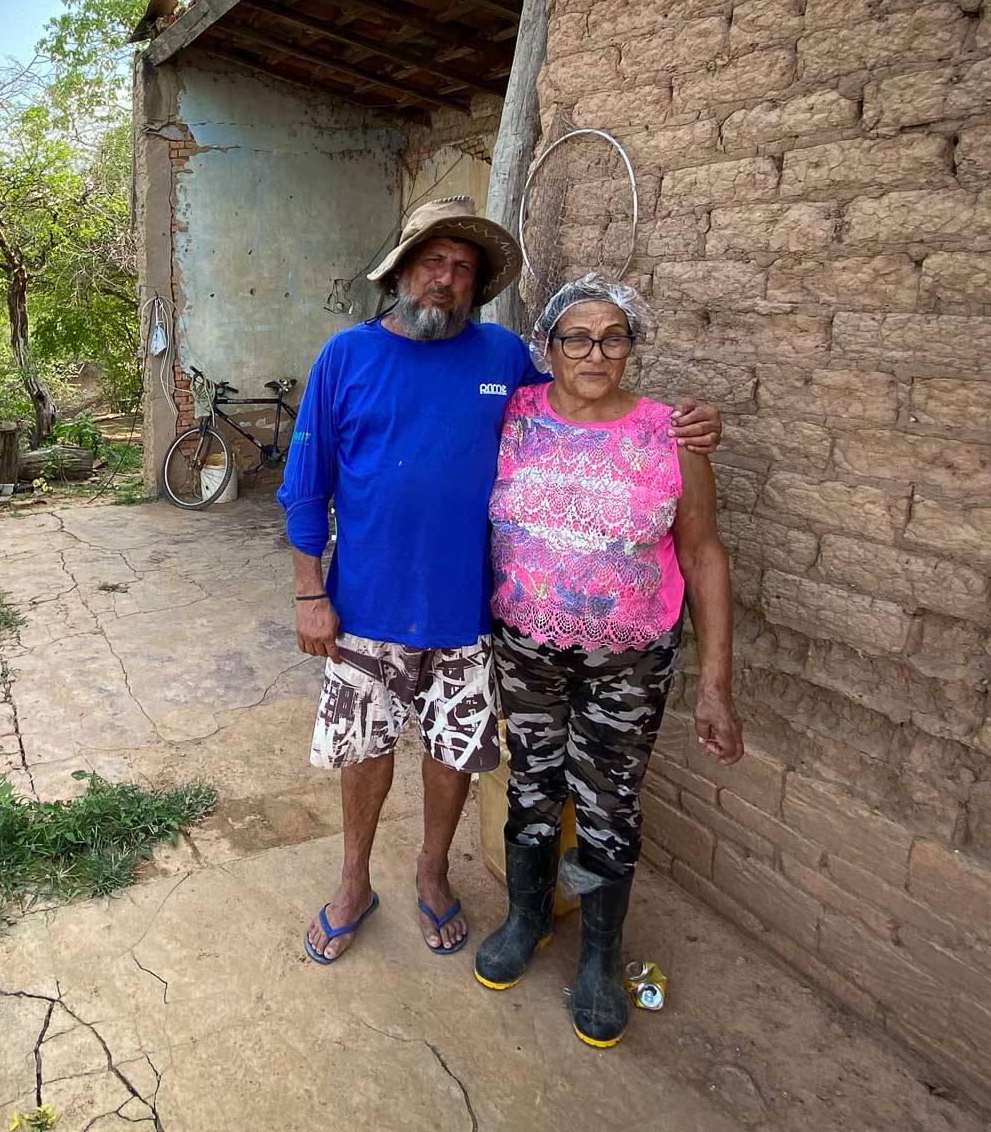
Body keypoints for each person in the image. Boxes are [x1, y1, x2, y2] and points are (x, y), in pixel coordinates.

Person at [278, 197, 722, 966]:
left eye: (463, 268)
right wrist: (309, 592)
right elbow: (303, 485)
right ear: (400, 271)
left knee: (452, 750)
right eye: (432, 261)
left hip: (469, 613)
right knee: (365, 749)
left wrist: (685, 426)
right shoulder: (345, 356)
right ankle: (353, 880)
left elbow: (578, 399)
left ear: (477, 286)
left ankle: (432, 869)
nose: (446, 279)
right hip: (363, 606)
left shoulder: (500, 358)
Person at [473, 277, 743, 1048]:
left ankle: (598, 955)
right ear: (548, 347)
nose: (595, 353)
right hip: (527, 649)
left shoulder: (672, 436)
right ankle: (527, 918)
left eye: (613, 337)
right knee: (532, 786)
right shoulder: (511, 414)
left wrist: (716, 684)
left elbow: (703, 555)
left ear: (630, 348)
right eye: (577, 338)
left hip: (628, 663)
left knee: (608, 805)